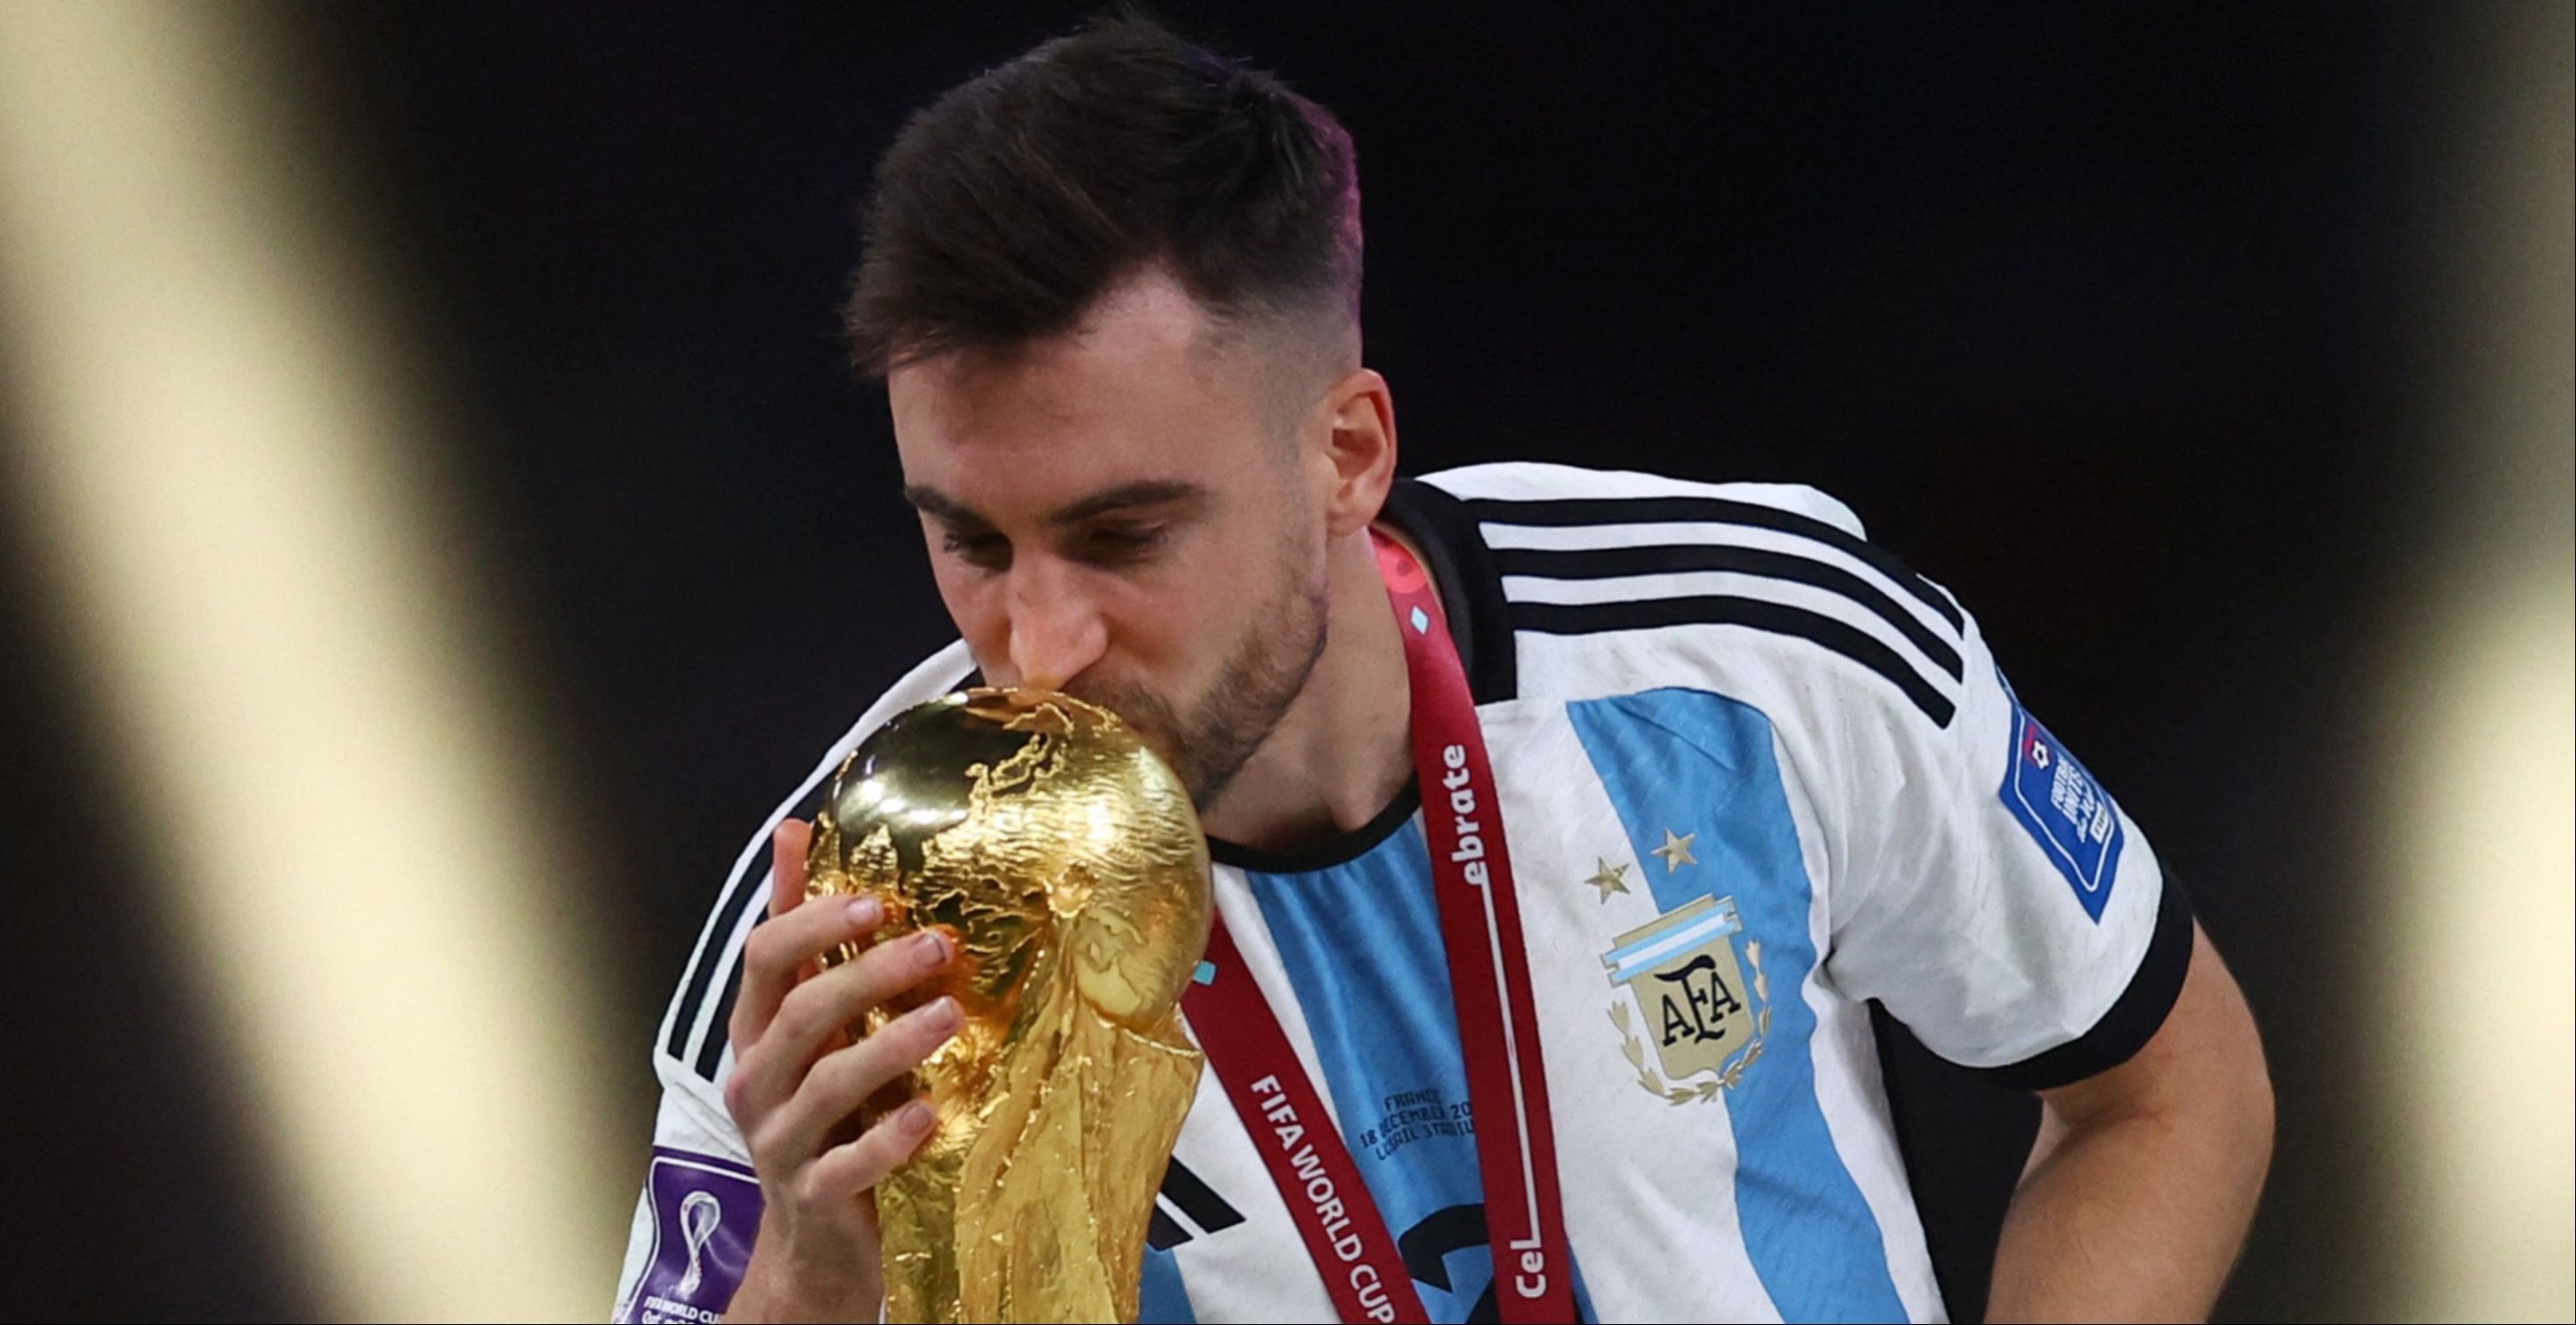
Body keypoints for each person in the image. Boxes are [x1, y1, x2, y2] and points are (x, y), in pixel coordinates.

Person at [610, 15, 2272, 1324]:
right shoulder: (854, 908)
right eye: (970, 539)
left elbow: (2163, 1088)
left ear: (1345, 452)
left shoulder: (1751, 648)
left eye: (1125, 537)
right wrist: (815, 1288)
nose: (1036, 647)